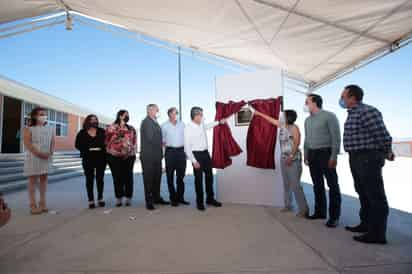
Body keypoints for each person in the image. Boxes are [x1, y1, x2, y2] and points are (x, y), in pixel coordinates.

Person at [340, 85, 393, 244]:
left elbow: (382, 134)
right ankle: (366, 225)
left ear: (352, 97)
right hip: (356, 157)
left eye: (343, 96)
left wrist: (387, 151)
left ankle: (377, 234)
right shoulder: (352, 113)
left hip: (367, 157)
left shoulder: (367, 111)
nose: (341, 99)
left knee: (375, 196)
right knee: (363, 193)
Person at [253, 109, 309, 217]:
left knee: (296, 185)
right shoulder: (282, 126)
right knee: (286, 184)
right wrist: (259, 113)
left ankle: (304, 209)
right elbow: (270, 120)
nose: (280, 117)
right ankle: (288, 205)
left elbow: (297, 142)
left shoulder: (294, 128)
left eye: (283, 115)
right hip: (284, 159)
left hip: (293, 159)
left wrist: (291, 157)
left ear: (288, 117)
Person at [303, 94, 341, 228]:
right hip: (312, 155)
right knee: (317, 185)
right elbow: (307, 139)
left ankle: (334, 217)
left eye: (307, 102)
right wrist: (305, 155)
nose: (305, 104)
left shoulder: (329, 116)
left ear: (314, 103)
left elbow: (336, 138)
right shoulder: (307, 120)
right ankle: (320, 212)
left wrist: (334, 156)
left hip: (326, 153)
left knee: (332, 185)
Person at [184, 107, 225, 211]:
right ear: (196, 115)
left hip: (205, 154)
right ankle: (200, 202)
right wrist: (193, 161)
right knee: (198, 180)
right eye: (201, 115)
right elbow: (187, 147)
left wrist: (219, 122)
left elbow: (207, 126)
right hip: (196, 155)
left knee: (209, 177)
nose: (202, 116)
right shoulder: (188, 128)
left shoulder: (201, 124)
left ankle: (210, 199)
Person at [23, 107, 55, 215]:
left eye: (45, 114)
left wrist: (50, 153)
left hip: (46, 158)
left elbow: (52, 143)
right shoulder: (28, 129)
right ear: (35, 116)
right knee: (32, 181)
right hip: (34, 157)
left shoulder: (51, 128)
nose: (43, 116)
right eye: (41, 114)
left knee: (44, 180)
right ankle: (32, 205)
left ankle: (42, 203)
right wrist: (39, 153)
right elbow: (28, 143)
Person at [105, 110, 137, 207]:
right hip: (114, 157)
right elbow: (106, 141)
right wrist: (111, 151)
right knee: (117, 177)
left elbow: (134, 142)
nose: (127, 116)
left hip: (129, 157)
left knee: (128, 177)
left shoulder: (131, 128)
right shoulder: (111, 127)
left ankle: (128, 198)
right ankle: (119, 198)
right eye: (125, 115)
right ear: (120, 116)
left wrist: (133, 152)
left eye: (128, 115)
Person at [140, 104, 169, 210]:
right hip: (148, 156)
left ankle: (156, 198)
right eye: (156, 109)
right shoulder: (147, 122)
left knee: (157, 178)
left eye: (157, 109)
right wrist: (163, 143)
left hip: (156, 156)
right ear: (149, 110)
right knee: (149, 179)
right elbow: (151, 138)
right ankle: (149, 201)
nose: (158, 111)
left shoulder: (155, 122)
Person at [75, 114, 107, 209]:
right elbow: (77, 145)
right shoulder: (82, 133)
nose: (94, 121)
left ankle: (100, 198)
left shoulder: (102, 131)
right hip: (88, 159)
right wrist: (87, 149)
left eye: (95, 119)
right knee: (89, 180)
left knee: (100, 179)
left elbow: (107, 142)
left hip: (101, 158)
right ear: (88, 121)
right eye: (91, 119)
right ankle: (91, 200)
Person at [161, 107, 189, 207]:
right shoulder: (164, 126)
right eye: (174, 113)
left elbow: (186, 138)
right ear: (169, 114)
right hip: (170, 152)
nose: (176, 114)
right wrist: (163, 154)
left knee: (181, 177)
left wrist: (187, 152)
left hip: (181, 152)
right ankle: (173, 199)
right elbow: (162, 142)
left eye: (177, 113)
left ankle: (180, 198)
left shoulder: (182, 124)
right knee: (170, 176)